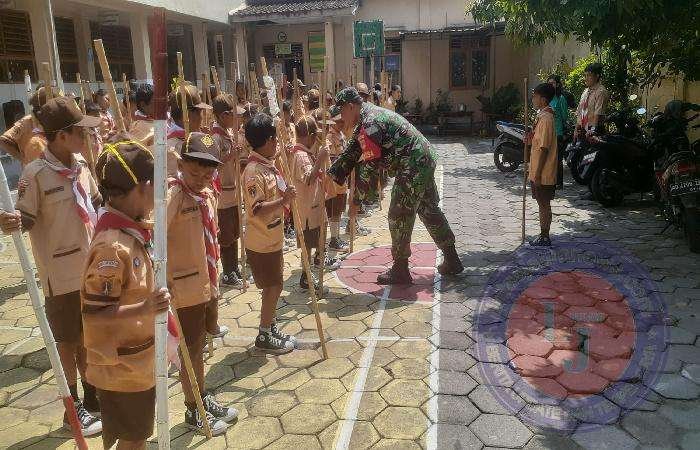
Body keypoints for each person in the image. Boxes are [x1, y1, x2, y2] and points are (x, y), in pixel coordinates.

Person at [0, 97, 103, 435]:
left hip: (89, 267)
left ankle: (92, 396)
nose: (86, 137)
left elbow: (96, 206)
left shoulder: (82, 165)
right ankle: (71, 409)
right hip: (60, 274)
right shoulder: (35, 175)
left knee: (87, 336)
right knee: (67, 341)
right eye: (80, 132)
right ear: (61, 136)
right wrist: (11, 221)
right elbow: (26, 219)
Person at [81, 141, 170, 450]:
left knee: (137, 436)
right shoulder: (112, 247)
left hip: (138, 361)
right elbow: (95, 315)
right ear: (143, 187)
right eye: (155, 185)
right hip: (122, 368)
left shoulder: (132, 232)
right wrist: (144, 308)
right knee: (133, 439)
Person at [329, 88, 463, 283]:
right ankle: (452, 259)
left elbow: (370, 164)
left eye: (341, 111)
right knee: (428, 210)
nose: (341, 117)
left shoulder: (370, 122)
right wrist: (333, 174)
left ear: (350, 107)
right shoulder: (367, 117)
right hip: (423, 159)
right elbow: (353, 150)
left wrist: (356, 200)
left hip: (413, 163)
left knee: (399, 213)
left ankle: (400, 269)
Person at [167, 132, 237, 434]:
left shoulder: (208, 194)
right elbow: (154, 236)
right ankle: (192, 408)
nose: (200, 180)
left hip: (206, 283)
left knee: (199, 346)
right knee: (190, 350)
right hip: (182, 289)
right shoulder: (173, 196)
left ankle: (201, 395)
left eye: (207, 174)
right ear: (181, 165)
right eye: (194, 173)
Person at [242, 113, 297, 354]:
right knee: (273, 287)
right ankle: (264, 334)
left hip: (273, 238)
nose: (276, 143)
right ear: (265, 141)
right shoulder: (254, 171)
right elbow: (257, 209)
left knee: (276, 284)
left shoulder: (269, 166)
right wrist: (283, 201)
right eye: (273, 139)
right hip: (262, 241)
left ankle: (271, 326)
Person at [211, 93, 246, 288]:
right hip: (223, 194)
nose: (236, 118)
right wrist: (231, 155)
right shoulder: (215, 138)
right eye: (233, 115)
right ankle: (227, 272)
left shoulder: (229, 134)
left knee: (234, 232)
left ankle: (234, 268)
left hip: (234, 191)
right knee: (225, 234)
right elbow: (213, 164)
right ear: (223, 115)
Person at [290, 115, 328, 291]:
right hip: (306, 208)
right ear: (311, 136)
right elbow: (308, 178)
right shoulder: (301, 156)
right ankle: (306, 277)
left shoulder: (304, 153)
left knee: (313, 241)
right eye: (315, 136)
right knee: (307, 243)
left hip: (312, 205)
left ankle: (309, 272)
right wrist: (320, 159)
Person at [526, 83, 558, 247]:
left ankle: (545, 235)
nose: (532, 99)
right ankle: (543, 233)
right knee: (541, 203)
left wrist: (538, 173)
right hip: (538, 169)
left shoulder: (546, 119)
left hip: (544, 171)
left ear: (543, 99)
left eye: (535, 97)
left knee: (544, 203)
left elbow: (544, 148)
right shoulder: (541, 116)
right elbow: (538, 142)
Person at [0, 86, 56, 165]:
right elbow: (3, 141)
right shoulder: (26, 122)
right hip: (34, 169)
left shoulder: (54, 120)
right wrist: (23, 159)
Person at [166, 83, 212, 176]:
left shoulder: (200, 138)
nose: (201, 118)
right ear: (186, 115)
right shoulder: (171, 148)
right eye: (198, 113)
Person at [321, 111, 349, 253]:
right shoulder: (329, 138)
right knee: (334, 211)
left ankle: (336, 237)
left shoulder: (341, 135)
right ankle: (333, 239)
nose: (342, 123)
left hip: (342, 179)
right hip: (335, 181)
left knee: (339, 211)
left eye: (342, 121)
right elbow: (331, 161)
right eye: (339, 121)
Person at [576, 63, 609, 138]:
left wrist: (593, 130)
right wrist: (576, 129)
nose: (586, 78)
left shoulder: (601, 92)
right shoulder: (585, 91)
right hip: (583, 129)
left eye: (589, 75)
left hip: (594, 130)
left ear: (597, 76)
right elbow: (580, 111)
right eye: (585, 76)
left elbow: (598, 113)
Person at [548, 75, 569, 189]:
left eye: (553, 83)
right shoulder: (547, 99)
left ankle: (559, 183)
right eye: (549, 83)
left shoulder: (561, 99)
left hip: (558, 133)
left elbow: (565, 116)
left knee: (557, 159)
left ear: (558, 85)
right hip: (547, 132)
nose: (551, 85)